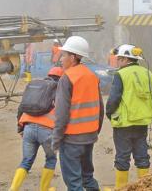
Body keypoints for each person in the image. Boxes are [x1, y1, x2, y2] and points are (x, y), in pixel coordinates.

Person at [51, 36, 104, 191]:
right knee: (87, 177)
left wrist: (56, 139)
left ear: (73, 57)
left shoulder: (67, 78)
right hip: (89, 137)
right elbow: (100, 108)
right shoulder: (91, 76)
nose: (61, 59)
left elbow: (61, 114)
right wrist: (94, 132)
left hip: (72, 140)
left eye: (64, 55)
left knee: (74, 183)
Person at [106, 44, 152, 189]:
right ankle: (144, 186)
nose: (117, 62)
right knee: (142, 155)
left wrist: (110, 114)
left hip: (124, 124)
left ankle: (121, 187)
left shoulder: (120, 74)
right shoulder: (148, 73)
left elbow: (113, 99)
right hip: (142, 122)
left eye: (118, 59)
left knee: (122, 157)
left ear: (124, 59)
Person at [9, 66, 63, 191]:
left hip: (28, 128)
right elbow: (63, 114)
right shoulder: (59, 91)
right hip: (48, 131)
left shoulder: (35, 87)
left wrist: (20, 128)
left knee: (26, 161)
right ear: (61, 78)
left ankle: (13, 189)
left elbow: (21, 108)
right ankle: (44, 189)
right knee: (51, 159)